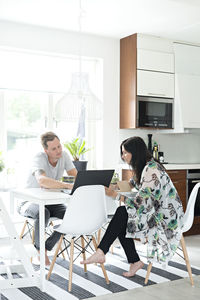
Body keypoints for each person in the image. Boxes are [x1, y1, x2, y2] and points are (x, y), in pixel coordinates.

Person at [81, 136, 184, 277]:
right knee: (123, 216)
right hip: (156, 211)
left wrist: (114, 194)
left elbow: (138, 203)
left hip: (166, 218)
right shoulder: (145, 166)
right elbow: (131, 184)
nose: (123, 157)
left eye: (125, 153)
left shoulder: (151, 170)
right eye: (122, 153)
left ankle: (103, 252)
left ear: (135, 152)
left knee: (123, 213)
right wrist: (113, 186)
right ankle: (129, 260)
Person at [18, 131, 77, 265]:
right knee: (43, 212)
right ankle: (40, 250)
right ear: (46, 151)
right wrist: (68, 185)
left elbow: (76, 175)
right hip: (28, 202)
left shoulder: (64, 155)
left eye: (59, 146)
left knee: (71, 215)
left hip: (50, 202)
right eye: (54, 148)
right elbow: (42, 181)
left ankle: (46, 246)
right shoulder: (39, 158)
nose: (58, 151)